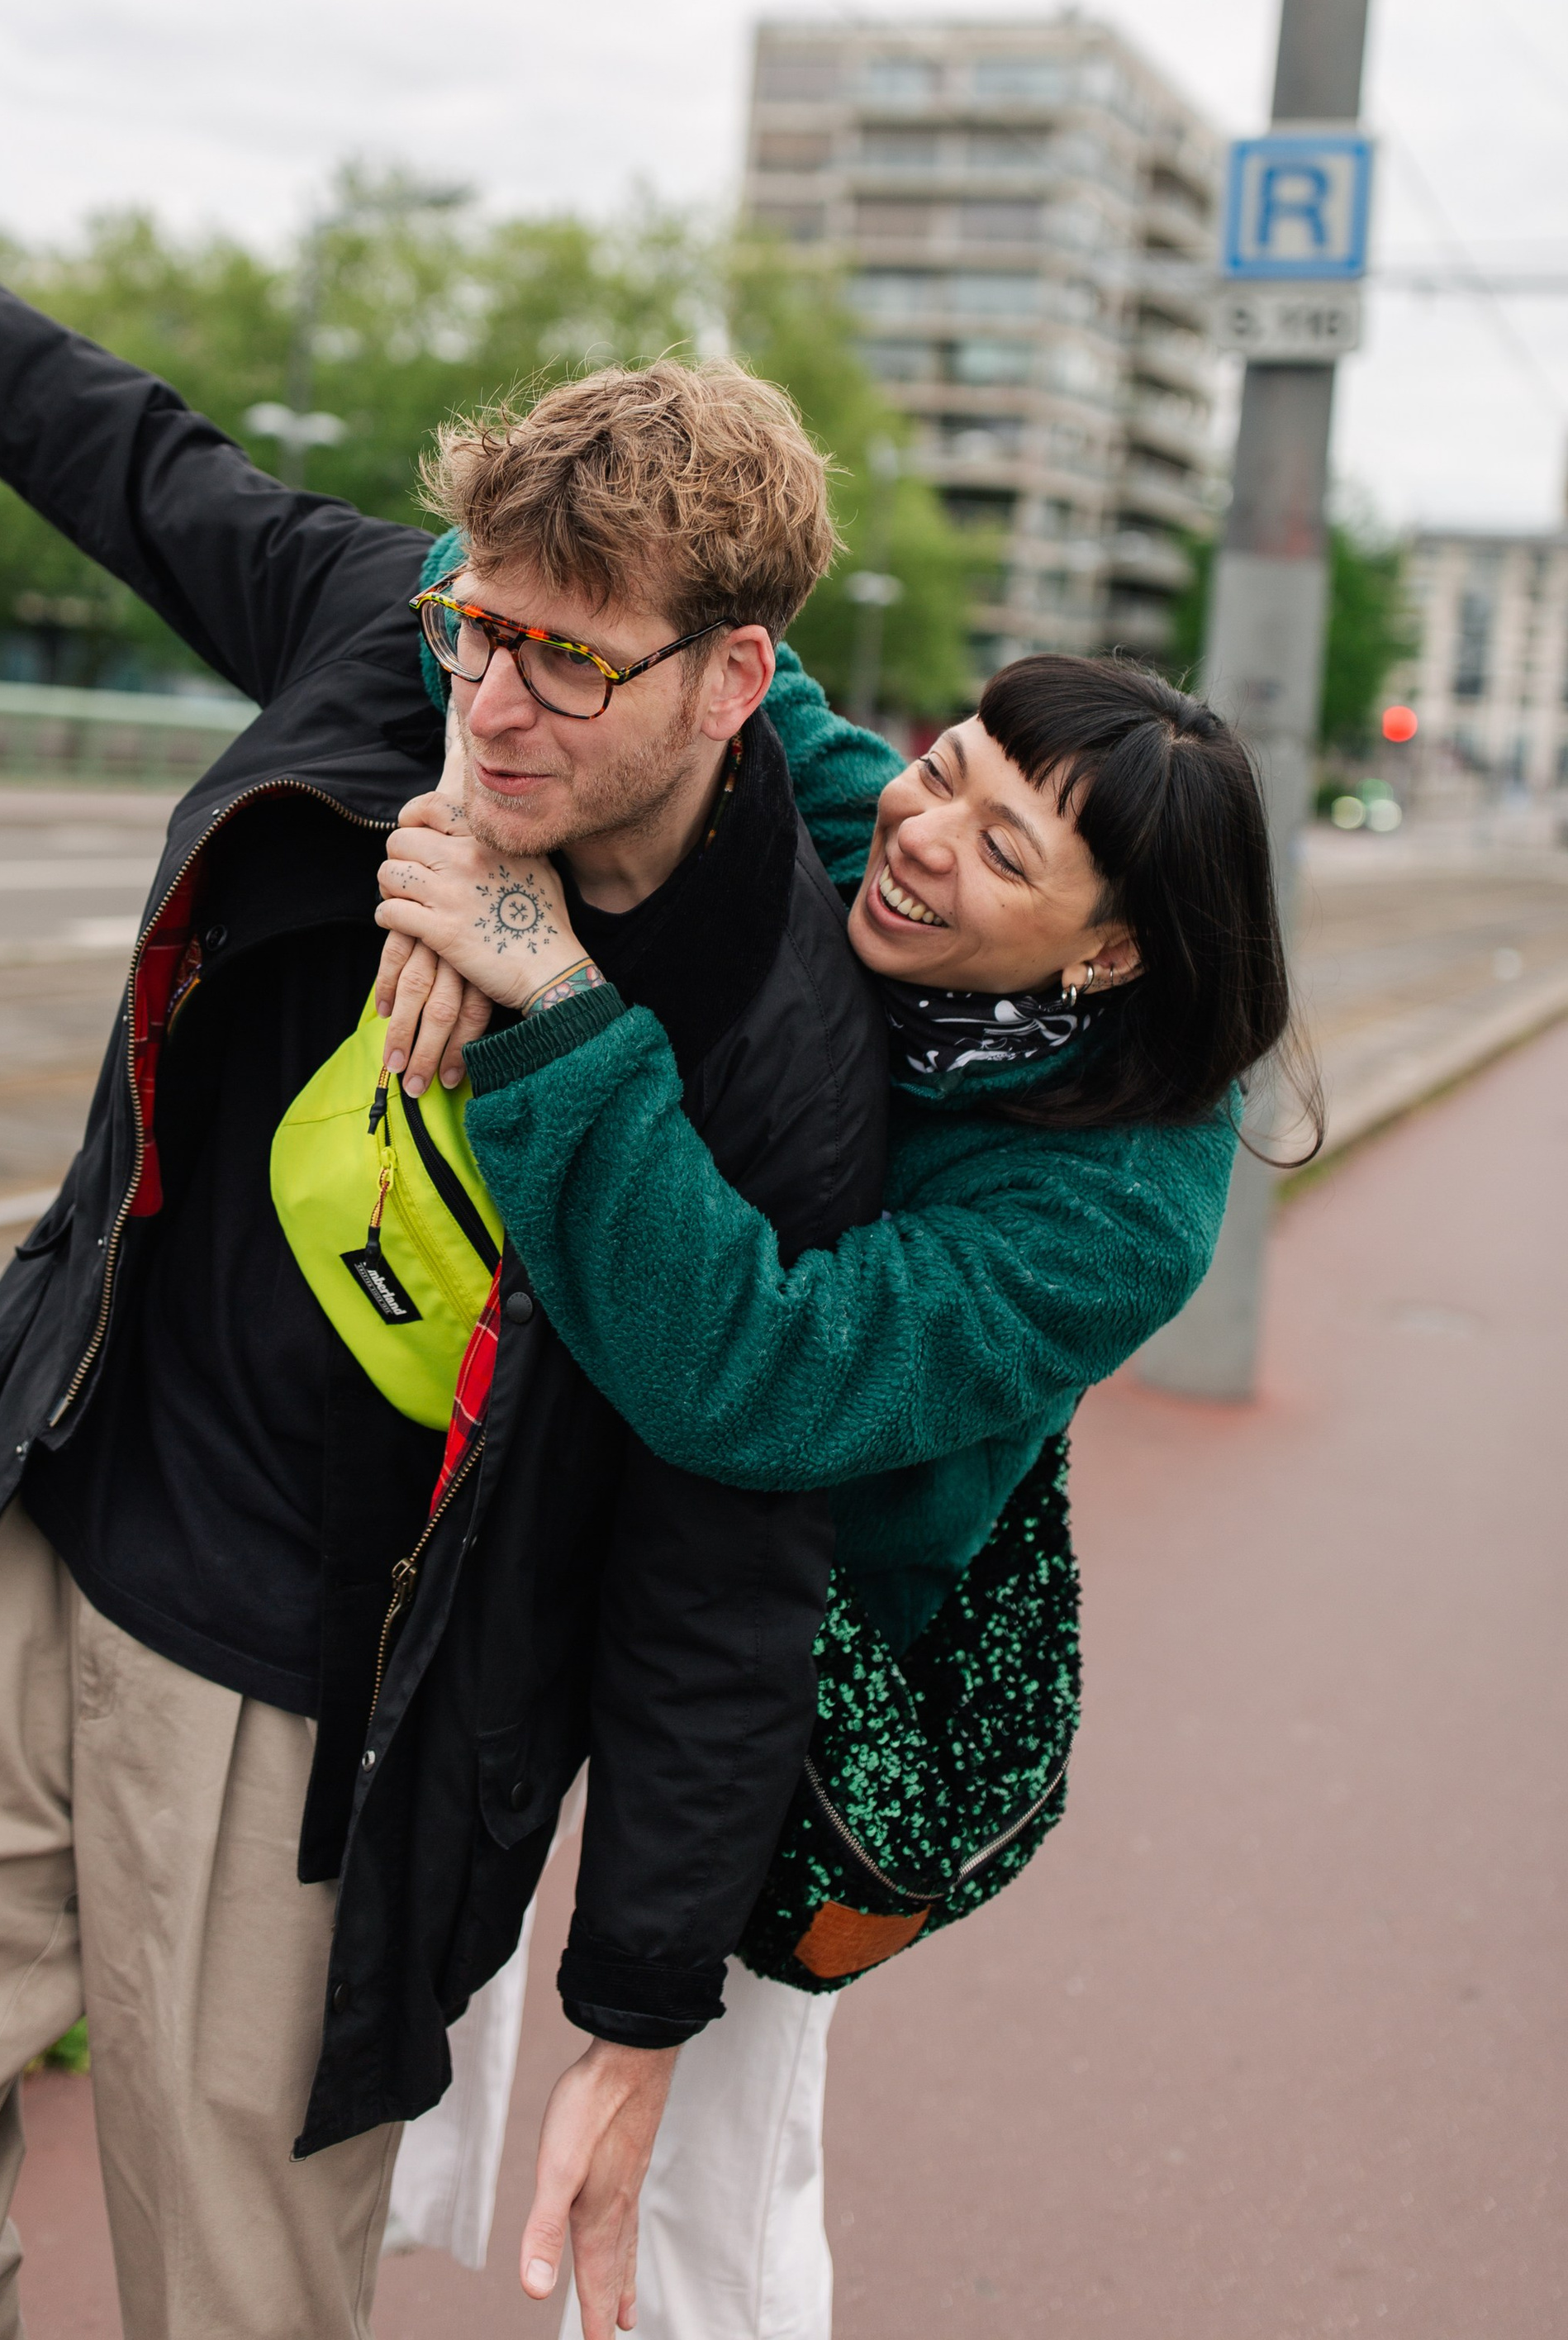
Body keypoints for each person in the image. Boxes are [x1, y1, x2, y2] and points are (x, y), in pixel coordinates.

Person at [0, 24, 889, 2340]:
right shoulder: (392, 640)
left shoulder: (772, 1038)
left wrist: (634, 2005)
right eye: (475, 628)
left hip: (327, 1698)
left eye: (565, 659)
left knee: (238, 2298)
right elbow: (141, 461)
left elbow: (729, 1552)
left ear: (735, 677)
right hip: (55, 1515)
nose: (495, 700)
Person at [373, 630, 1305, 2338]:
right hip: (575, 1489)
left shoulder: (1123, 1207)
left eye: (1002, 846)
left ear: (1105, 954)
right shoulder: (867, 810)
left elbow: (767, 1377)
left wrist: (556, 998)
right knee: (413, 1967)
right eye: (942, 761)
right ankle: (388, 2216)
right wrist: (481, 803)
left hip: (805, 1625)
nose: (925, 829)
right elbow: (558, 601)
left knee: (704, 2193)